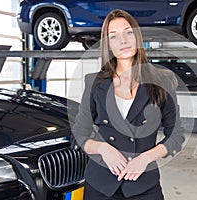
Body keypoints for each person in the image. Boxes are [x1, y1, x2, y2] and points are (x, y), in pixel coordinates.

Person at [72, 9, 185, 200]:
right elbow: (78, 134)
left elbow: (176, 135)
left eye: (128, 32)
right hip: (100, 184)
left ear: (137, 36)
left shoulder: (162, 81)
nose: (123, 41)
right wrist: (102, 149)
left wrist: (145, 159)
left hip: (143, 184)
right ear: (108, 45)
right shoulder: (94, 83)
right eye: (114, 36)